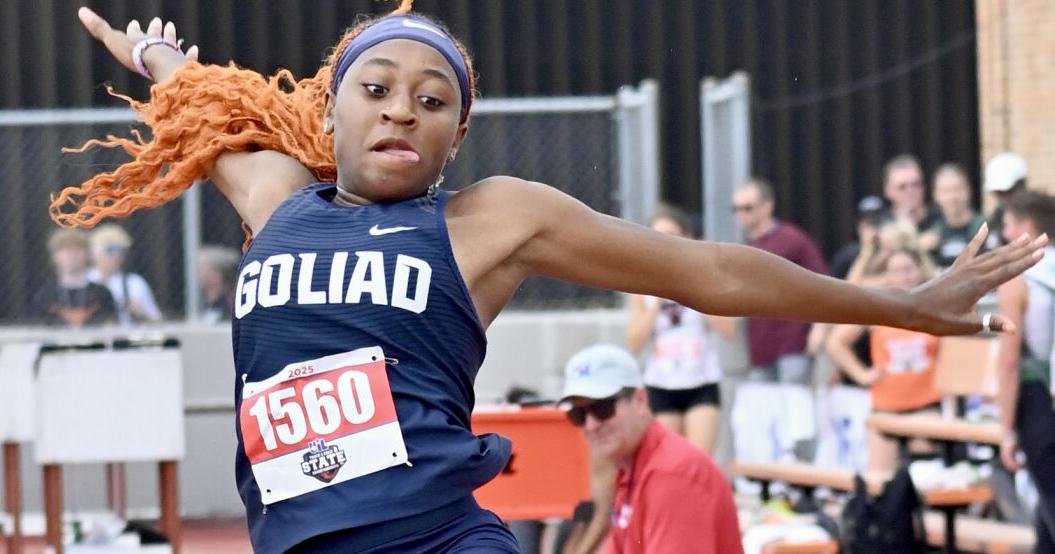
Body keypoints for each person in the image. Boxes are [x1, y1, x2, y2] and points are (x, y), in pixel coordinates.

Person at [61, 4, 1045, 552]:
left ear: (455, 134)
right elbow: (189, 94)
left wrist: (895, 303)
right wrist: (152, 51)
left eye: (430, 98)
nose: (401, 109)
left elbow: (705, 269)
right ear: (333, 112)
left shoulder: (486, 220)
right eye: (377, 89)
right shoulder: (277, 198)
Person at [559, 344, 743, 554]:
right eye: (578, 414)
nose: (591, 425)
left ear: (640, 400)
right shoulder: (634, 465)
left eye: (602, 408)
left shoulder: (671, 474)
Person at [626, 205, 734, 454]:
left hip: (701, 380)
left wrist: (691, 290)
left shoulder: (703, 277)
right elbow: (633, 342)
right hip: (662, 383)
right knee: (669, 459)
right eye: (657, 236)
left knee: (698, 459)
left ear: (686, 238)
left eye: (672, 235)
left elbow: (728, 328)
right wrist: (658, 300)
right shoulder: (641, 283)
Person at [826, 248, 942, 472]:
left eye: (908, 269)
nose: (903, 277)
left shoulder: (934, 307)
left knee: (926, 475)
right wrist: (862, 374)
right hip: (886, 405)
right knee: (880, 480)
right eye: (896, 271)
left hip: (925, 402)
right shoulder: (878, 308)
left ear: (920, 270)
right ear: (888, 276)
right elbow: (835, 343)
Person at [994, 191, 1055, 553]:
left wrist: (1005, 430)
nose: (1004, 234)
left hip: (1039, 403)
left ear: (1027, 227)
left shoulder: (1020, 279)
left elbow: (1010, 361)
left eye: (1007, 225)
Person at [732, 177, 828, 383]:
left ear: (767, 206)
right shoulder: (746, 246)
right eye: (737, 208)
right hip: (759, 348)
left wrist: (819, 327)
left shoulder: (792, 239)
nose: (741, 214)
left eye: (747, 208)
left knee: (793, 407)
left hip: (792, 343)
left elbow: (821, 281)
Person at [30, 229, 118, 327]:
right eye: (66, 249)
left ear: (87, 254)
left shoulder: (102, 293)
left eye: (78, 248)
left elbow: (110, 327)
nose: (72, 255)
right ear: (55, 256)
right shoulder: (45, 296)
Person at [87, 223, 163, 325]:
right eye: (110, 250)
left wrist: (141, 313)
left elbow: (158, 323)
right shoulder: (84, 280)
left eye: (120, 250)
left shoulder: (135, 283)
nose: (116, 256)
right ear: (93, 252)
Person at [919, 163, 987, 269]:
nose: (952, 197)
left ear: (968, 190)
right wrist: (920, 251)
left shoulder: (984, 226)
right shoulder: (933, 232)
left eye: (958, 189)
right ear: (935, 195)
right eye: (945, 191)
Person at [878, 154, 941, 232]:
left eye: (916, 184)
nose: (910, 191)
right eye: (902, 187)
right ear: (887, 191)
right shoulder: (881, 226)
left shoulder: (941, 219)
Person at [830, 195, 884, 280]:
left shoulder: (895, 250)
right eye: (867, 224)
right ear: (859, 226)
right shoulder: (848, 255)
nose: (873, 229)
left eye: (877, 223)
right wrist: (867, 251)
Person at [985, 151, 1029, 249]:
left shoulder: (1040, 216)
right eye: (999, 193)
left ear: (1021, 185)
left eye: (1009, 191)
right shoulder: (995, 219)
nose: (1004, 198)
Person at [197, 244, 241, 322]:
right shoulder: (197, 304)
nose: (195, 274)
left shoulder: (232, 306)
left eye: (200, 270)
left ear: (216, 276)